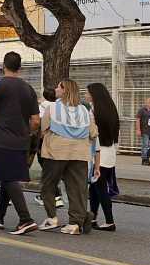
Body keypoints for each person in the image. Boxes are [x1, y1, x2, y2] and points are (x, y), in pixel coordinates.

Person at [0, 52, 40, 235]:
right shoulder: (28, 88)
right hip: (22, 141)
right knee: (9, 178)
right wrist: (28, 132)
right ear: (20, 67)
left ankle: (25, 219)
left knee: (8, 179)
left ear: (3, 66)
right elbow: (35, 120)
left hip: (1, 140)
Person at [38, 79, 98, 235]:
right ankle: (75, 223)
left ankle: (52, 217)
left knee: (48, 185)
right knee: (77, 189)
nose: (56, 88)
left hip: (55, 152)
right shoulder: (84, 111)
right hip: (79, 153)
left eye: (59, 87)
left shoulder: (52, 108)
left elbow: (44, 129)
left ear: (65, 91)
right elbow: (93, 133)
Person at [87, 83, 119, 232]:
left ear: (94, 95)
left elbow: (92, 134)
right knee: (95, 188)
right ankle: (92, 217)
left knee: (100, 188)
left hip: (98, 154)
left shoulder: (94, 112)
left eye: (88, 93)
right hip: (110, 152)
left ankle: (109, 221)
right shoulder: (111, 110)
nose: (86, 95)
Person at [34, 88, 65, 208]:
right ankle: (51, 195)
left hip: (44, 143)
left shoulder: (43, 107)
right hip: (58, 142)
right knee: (51, 169)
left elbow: (39, 125)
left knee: (47, 170)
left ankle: (54, 196)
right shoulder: (60, 107)